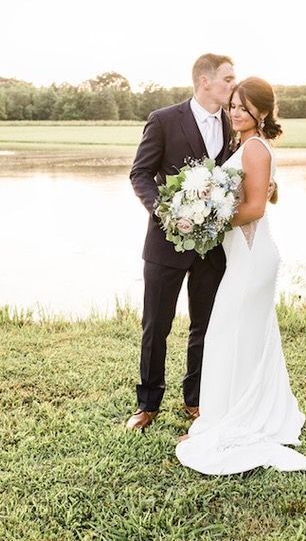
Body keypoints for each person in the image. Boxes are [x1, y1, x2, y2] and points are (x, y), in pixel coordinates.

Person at [176, 77, 306, 474]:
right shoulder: (246, 146)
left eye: (242, 107)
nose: (234, 112)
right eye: (232, 105)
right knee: (240, 336)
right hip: (242, 258)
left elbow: (255, 208)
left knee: (228, 334)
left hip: (253, 258)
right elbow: (264, 193)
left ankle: (231, 421)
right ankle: (229, 414)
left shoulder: (254, 147)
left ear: (261, 111)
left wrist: (205, 218)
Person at [127, 54, 236, 429]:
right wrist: (166, 211)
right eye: (227, 79)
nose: (231, 86)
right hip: (166, 243)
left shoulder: (232, 124)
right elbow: (139, 173)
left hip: (211, 246)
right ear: (204, 81)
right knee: (156, 323)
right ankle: (148, 403)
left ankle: (196, 399)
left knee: (204, 324)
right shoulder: (163, 119)